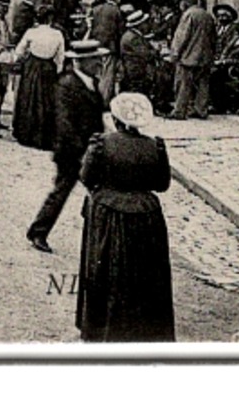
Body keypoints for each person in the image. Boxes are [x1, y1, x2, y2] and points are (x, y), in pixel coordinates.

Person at [76, 92, 176, 342]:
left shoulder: (101, 143)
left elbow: (87, 177)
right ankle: (144, 329)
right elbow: (162, 184)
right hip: (147, 216)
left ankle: (102, 328)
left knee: (106, 271)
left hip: (108, 213)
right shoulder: (155, 146)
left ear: (116, 120)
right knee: (145, 275)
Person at [26, 40, 109, 254]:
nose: (99, 63)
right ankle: (38, 231)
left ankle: (102, 238)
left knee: (100, 192)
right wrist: (81, 151)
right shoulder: (67, 84)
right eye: (95, 59)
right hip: (72, 152)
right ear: (82, 61)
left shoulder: (91, 82)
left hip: (90, 150)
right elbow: (64, 124)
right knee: (62, 190)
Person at [11, 6, 67, 151]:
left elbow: (19, 51)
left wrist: (19, 59)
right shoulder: (57, 34)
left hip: (32, 66)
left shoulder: (31, 32)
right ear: (50, 18)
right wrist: (59, 72)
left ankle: (26, 132)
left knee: (28, 98)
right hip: (49, 67)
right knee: (46, 101)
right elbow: (61, 57)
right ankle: (44, 135)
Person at [169, 0, 217, 120]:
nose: (180, 5)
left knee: (183, 84)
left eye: (180, 2)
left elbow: (181, 37)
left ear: (185, 3)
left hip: (188, 56)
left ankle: (179, 111)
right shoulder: (207, 15)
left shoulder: (188, 15)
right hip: (205, 56)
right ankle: (201, 110)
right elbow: (213, 37)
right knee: (203, 84)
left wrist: (174, 53)